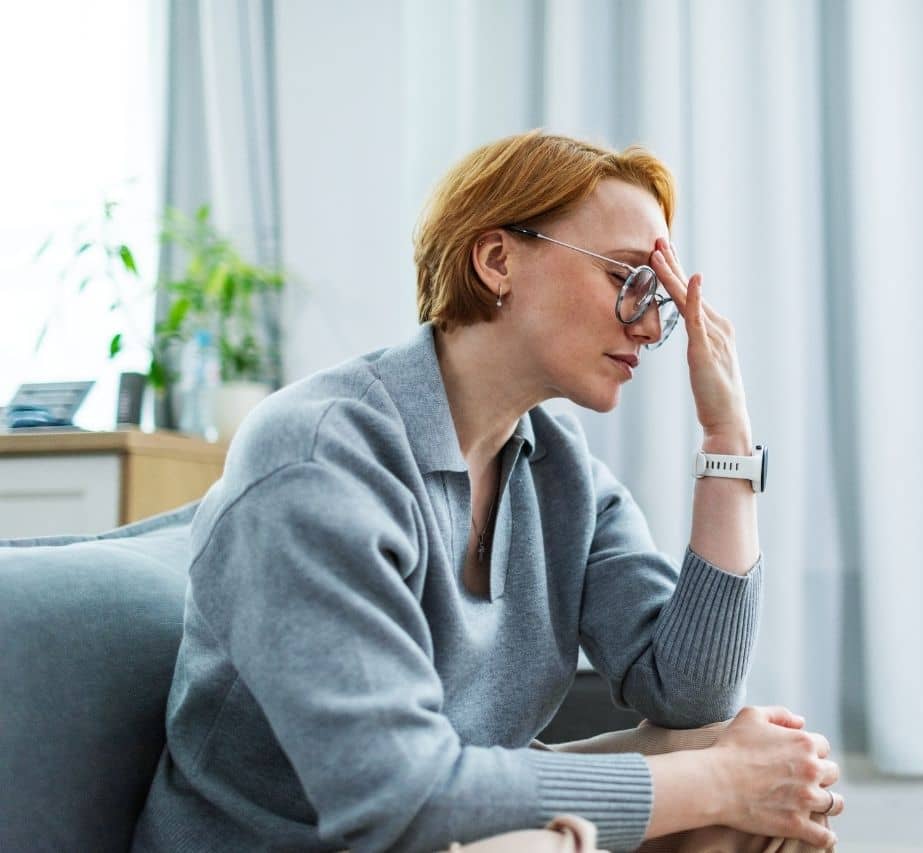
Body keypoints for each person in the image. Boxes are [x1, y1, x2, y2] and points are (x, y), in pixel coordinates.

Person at [131, 130, 843, 852]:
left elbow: (692, 697)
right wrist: (722, 780)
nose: (655, 323)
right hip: (317, 836)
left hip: (447, 832)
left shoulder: (560, 473)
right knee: (716, 785)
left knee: (730, 763)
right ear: (499, 260)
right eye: (628, 280)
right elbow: (395, 798)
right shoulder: (317, 458)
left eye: (659, 295)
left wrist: (727, 437)